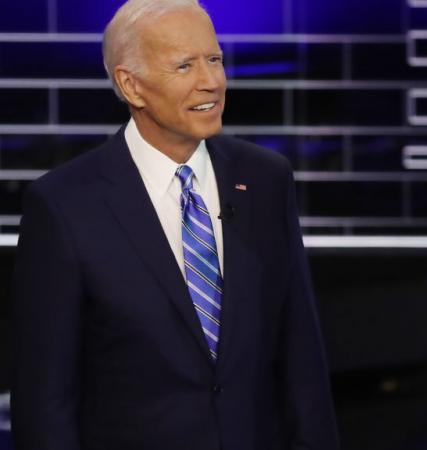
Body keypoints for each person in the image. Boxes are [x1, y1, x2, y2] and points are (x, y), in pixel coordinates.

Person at [11, 1, 338, 449]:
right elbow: (46, 400)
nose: (212, 81)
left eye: (215, 59)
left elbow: (302, 361)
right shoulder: (64, 205)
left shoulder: (266, 179)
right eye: (185, 65)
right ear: (132, 85)